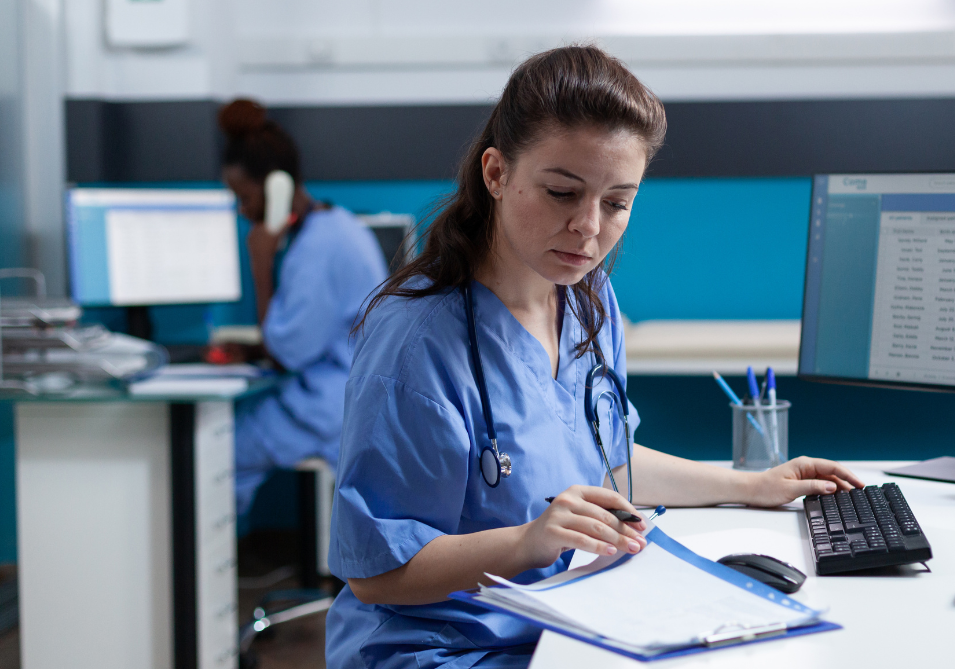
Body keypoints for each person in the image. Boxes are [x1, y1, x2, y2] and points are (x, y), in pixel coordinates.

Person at [326, 47, 862, 668]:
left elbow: (604, 460)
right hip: (446, 649)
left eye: (617, 203)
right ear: (496, 174)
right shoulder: (417, 341)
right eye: (562, 193)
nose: (588, 228)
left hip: (567, 622)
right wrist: (528, 542)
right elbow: (377, 573)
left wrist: (753, 486)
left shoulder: (587, 300)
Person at [218, 99, 390, 517]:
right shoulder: (339, 225)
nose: (243, 212)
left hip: (331, 406)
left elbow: (286, 352)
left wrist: (261, 263)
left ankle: (206, 575)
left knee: (216, 454)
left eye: (244, 197)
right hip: (348, 394)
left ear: (276, 186)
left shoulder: (314, 250)